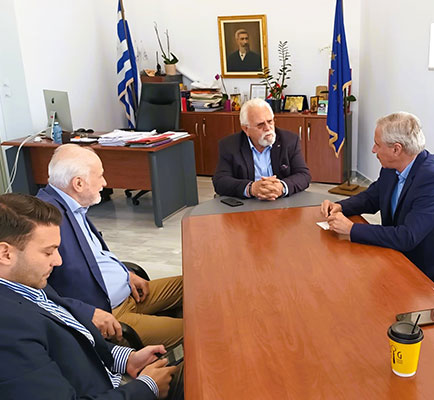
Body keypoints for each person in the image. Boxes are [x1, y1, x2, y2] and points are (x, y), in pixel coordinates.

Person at [0, 193, 176, 399]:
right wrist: (147, 388)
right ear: (6, 254)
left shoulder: (25, 280)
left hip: (116, 379)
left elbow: (71, 343)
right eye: (48, 252)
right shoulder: (8, 329)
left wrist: (126, 358)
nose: (58, 261)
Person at [320, 112, 434, 308]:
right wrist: (341, 206)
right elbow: (372, 197)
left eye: (377, 144)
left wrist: (351, 229)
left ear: (396, 149)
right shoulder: (391, 167)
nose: (373, 150)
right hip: (403, 258)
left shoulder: (433, 180)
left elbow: (407, 237)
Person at [37, 144, 183, 348]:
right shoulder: (44, 220)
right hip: (110, 314)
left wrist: (125, 273)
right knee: (197, 330)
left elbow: (96, 256)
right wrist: (86, 312)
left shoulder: (73, 207)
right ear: (78, 183)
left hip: (130, 292)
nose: (105, 183)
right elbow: (35, 289)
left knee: (194, 283)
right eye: (100, 176)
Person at [212, 98, 311, 200]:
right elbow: (220, 181)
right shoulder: (229, 145)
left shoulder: (289, 141)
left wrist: (282, 187)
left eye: (270, 122)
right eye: (260, 125)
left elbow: (303, 175)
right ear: (246, 129)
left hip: (281, 201)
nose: (268, 128)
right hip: (247, 204)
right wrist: (251, 188)